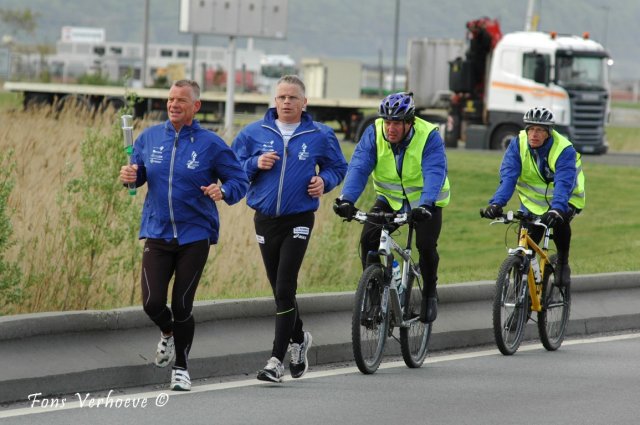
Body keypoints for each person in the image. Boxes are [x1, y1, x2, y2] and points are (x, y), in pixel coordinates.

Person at [119, 79, 249, 391]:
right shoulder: (149, 138)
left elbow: (239, 180)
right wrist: (129, 178)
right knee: (152, 303)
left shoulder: (211, 144)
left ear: (195, 106)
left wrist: (223, 189)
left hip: (195, 234)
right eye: (171, 99)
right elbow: (135, 177)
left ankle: (182, 367)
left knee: (182, 305)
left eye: (181, 100)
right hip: (157, 231)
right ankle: (168, 334)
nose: (174, 104)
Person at [231, 75, 347, 383]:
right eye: (281, 97)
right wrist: (255, 163)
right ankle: (298, 339)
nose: (286, 102)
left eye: (292, 98)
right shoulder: (254, 132)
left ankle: (274, 361)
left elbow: (339, 167)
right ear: (274, 100)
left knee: (285, 287)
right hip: (265, 219)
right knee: (279, 290)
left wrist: (325, 182)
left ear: (304, 102)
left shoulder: (320, 134)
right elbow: (231, 167)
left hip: (299, 219)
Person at [334, 91, 451, 324]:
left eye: (396, 123)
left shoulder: (428, 136)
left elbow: (434, 171)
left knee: (425, 246)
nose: (390, 128)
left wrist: (426, 203)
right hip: (390, 199)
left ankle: (429, 292)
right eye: (387, 122)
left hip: (424, 202)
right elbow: (359, 166)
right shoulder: (374, 133)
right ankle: (375, 295)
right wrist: (347, 199)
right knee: (368, 239)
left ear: (410, 122)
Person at [482, 106, 585, 287]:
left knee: (560, 222)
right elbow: (508, 177)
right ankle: (521, 297)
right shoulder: (518, 144)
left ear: (548, 133)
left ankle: (562, 262)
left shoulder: (563, 149)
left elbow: (563, 183)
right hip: (532, 204)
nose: (533, 134)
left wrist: (557, 209)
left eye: (539, 130)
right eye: (530, 129)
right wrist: (496, 203)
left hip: (566, 199)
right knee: (524, 252)